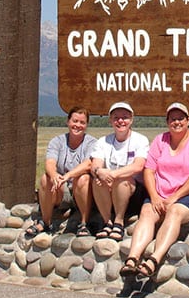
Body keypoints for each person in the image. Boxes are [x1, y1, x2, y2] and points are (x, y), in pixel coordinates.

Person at [121, 103, 189, 278]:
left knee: (175, 211)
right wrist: (154, 196)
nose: (176, 122)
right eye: (173, 119)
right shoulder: (160, 140)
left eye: (180, 118)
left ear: (188, 121)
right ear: (167, 121)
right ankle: (132, 259)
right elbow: (149, 170)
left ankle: (154, 260)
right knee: (147, 211)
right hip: (161, 194)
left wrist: (175, 197)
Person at [26, 106, 97, 237]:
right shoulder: (57, 141)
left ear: (86, 125)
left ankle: (84, 223)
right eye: (75, 121)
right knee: (45, 178)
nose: (78, 125)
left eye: (82, 122)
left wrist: (67, 176)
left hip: (80, 190)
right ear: (68, 122)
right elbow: (50, 163)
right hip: (60, 189)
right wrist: (54, 176)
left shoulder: (91, 142)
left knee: (84, 178)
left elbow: (88, 164)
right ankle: (46, 222)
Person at [90, 101, 150, 241]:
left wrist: (112, 175)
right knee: (97, 181)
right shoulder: (103, 141)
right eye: (116, 117)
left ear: (131, 120)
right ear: (110, 120)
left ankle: (119, 221)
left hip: (133, 193)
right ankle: (107, 222)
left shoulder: (140, 140)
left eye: (125, 117)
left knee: (123, 180)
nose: (121, 121)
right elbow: (95, 165)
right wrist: (100, 172)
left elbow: (138, 166)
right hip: (108, 190)